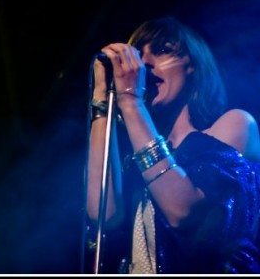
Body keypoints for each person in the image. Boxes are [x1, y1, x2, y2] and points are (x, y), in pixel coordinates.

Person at [85, 16, 260, 274]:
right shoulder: (137, 162)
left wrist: (132, 102)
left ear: (193, 66)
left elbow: (182, 211)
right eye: (138, 54)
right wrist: (102, 104)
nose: (143, 64)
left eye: (162, 50)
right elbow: (103, 215)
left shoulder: (235, 125)